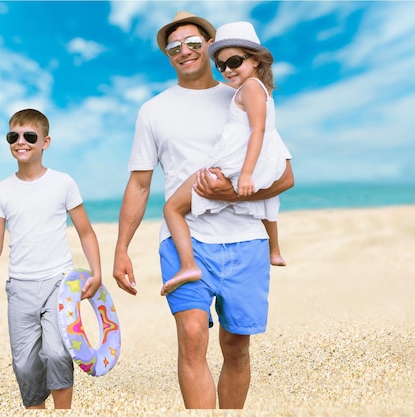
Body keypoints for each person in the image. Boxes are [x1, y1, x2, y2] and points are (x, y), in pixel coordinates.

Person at [112, 11, 294, 409]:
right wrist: (121, 247)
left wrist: (232, 196)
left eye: (193, 43)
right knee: (192, 336)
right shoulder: (153, 111)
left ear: (211, 46)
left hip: (245, 239)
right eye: (173, 46)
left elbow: (283, 176)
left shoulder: (245, 94)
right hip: (185, 240)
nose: (184, 51)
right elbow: (140, 183)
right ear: (167, 54)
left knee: (236, 345)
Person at [0, 109, 102, 409]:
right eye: (13, 136)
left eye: (30, 136)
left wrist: (97, 272)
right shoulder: (1, 190)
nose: (21, 142)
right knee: (25, 365)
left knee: (57, 353)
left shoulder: (63, 183)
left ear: (45, 142)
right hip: (20, 289)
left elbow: (86, 232)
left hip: (59, 283)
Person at [161, 21, 289, 296]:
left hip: (233, 163)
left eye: (234, 61)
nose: (227, 70)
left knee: (172, 208)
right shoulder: (255, 88)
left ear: (255, 60)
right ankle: (274, 250)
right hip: (255, 161)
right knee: (267, 201)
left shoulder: (251, 88)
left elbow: (258, 130)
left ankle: (188, 265)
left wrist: (245, 173)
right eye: (221, 65)